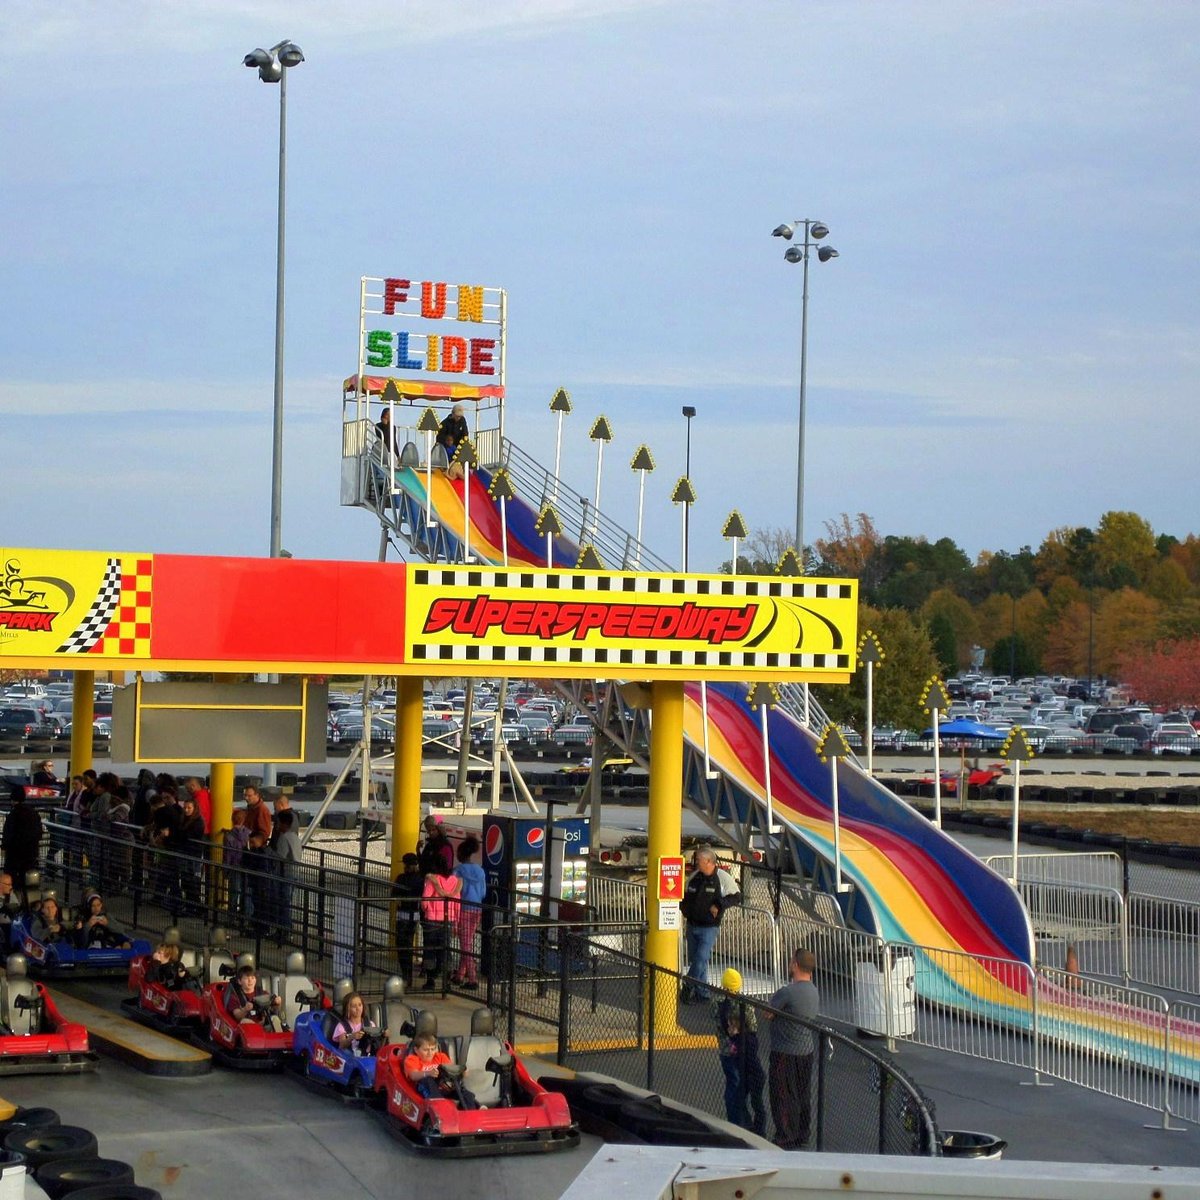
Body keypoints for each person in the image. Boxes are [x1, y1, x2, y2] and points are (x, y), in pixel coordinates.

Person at [765, 948, 819, 1150]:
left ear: (795, 965)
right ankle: (802, 1134)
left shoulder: (787, 992)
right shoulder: (813, 991)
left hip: (785, 1051)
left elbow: (768, 1013)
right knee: (803, 1094)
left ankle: (785, 1135)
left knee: (783, 1094)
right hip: (806, 1051)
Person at [712, 967, 766, 1135]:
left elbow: (718, 1025)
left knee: (732, 1084)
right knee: (741, 1086)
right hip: (742, 1052)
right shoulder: (744, 1003)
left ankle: (734, 1119)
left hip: (726, 1050)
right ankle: (747, 1122)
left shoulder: (717, 1002)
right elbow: (753, 1027)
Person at [679, 847, 729, 1003]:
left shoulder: (722, 877)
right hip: (692, 924)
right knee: (697, 960)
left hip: (709, 927)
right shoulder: (695, 877)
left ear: (708, 861)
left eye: (699, 860)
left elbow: (736, 896)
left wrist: (718, 905)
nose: (696, 863)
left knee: (701, 958)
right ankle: (703, 993)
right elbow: (685, 895)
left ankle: (688, 985)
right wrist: (685, 910)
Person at [404, 1031, 477, 1108]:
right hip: (424, 1089)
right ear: (416, 1050)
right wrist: (427, 1073)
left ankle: (474, 1109)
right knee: (427, 1079)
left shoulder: (440, 1056)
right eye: (426, 1050)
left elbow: (451, 1069)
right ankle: (441, 1106)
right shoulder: (412, 1059)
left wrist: (462, 1072)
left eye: (432, 1049)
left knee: (464, 1092)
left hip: (444, 1086)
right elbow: (413, 1075)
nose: (430, 1053)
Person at [420, 864, 461, 991]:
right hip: (448, 919)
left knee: (430, 949)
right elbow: (457, 904)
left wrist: (425, 909)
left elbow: (425, 900)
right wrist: (456, 922)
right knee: (446, 950)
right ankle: (446, 982)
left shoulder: (433, 880)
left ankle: (430, 981)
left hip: (432, 920)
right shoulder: (455, 882)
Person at [451, 836, 486, 988]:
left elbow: (453, 891)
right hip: (477, 908)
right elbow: (484, 892)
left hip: (463, 908)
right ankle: (459, 975)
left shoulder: (457, 871)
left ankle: (472, 978)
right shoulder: (480, 871)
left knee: (465, 944)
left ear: (460, 854)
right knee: (468, 941)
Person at [391, 853, 424, 988]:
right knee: (409, 945)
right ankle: (408, 975)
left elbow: (394, 894)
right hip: (414, 915)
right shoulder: (420, 879)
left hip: (403, 915)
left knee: (401, 945)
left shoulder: (401, 878)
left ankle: (405, 974)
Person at [3, 785, 43, 887]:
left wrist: (4, 847)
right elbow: (39, 832)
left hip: (15, 855)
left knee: (14, 881)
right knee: (28, 881)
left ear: (12, 799)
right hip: (31, 853)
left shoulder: (13, 815)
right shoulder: (33, 813)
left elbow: (9, 835)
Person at [271, 809, 301, 936]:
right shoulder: (295, 837)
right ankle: (286, 929)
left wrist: (269, 853)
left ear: (283, 824)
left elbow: (280, 856)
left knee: (282, 902)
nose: (276, 826)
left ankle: (284, 930)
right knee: (287, 901)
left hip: (284, 873)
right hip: (295, 872)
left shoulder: (284, 838)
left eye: (277, 823)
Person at [223, 810, 250, 919]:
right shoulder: (248, 833)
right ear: (244, 820)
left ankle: (231, 915)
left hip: (234, 865)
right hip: (246, 865)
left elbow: (227, 854)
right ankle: (245, 914)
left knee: (233, 891)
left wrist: (226, 868)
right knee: (246, 891)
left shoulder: (229, 836)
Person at [330, 991, 375, 1055]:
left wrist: (383, 1036)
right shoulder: (342, 1026)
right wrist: (352, 1037)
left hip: (366, 1056)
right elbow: (342, 1045)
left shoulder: (370, 1024)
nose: (358, 1008)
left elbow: (375, 1043)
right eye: (354, 1006)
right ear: (348, 1009)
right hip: (349, 1057)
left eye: (360, 1005)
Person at [437, 403, 470, 480]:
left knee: (461, 456)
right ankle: (449, 471)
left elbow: (465, 433)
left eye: (460, 416)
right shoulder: (445, 423)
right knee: (449, 454)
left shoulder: (462, 420)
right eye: (457, 416)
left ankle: (461, 472)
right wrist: (447, 443)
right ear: (453, 414)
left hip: (457, 446)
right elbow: (440, 437)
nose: (459, 418)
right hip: (447, 446)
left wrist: (463, 444)